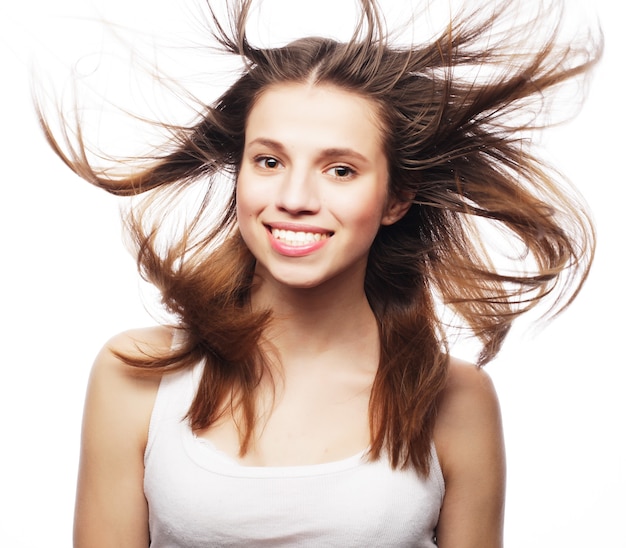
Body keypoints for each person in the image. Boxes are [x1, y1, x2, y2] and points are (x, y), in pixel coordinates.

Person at [36, 0, 602, 546]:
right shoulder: (139, 375)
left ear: (395, 197)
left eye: (339, 169)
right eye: (269, 161)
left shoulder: (455, 399)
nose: (295, 198)